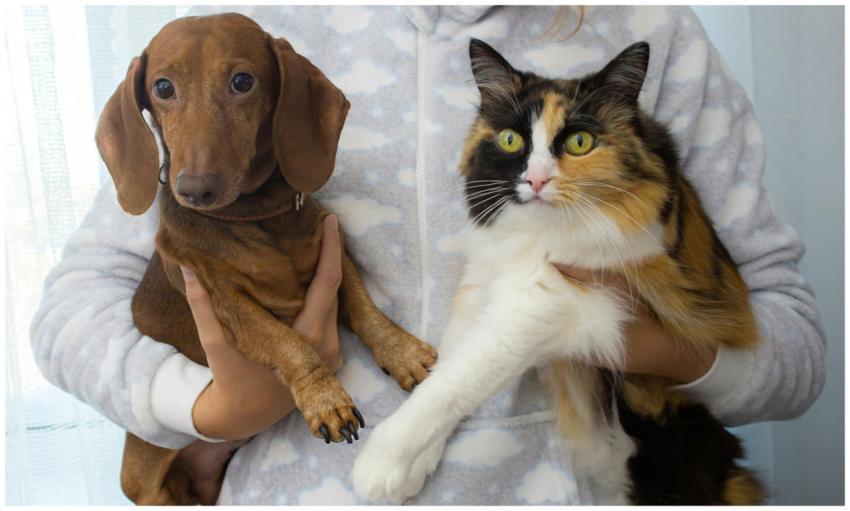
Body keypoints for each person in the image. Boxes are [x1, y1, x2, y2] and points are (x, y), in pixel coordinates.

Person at [31, 5, 825, 505]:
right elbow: (69, 312)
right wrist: (206, 406)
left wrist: (645, 342)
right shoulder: (243, 39)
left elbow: (795, 351)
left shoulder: (650, 30)